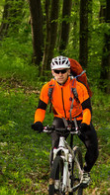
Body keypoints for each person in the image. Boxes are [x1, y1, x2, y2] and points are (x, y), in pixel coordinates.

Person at [31, 55, 99, 187]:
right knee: (55, 147)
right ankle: (55, 177)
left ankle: (85, 172)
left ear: (69, 71)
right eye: (57, 71)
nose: (60, 74)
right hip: (61, 119)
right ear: (52, 72)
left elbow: (87, 109)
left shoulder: (78, 87)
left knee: (93, 148)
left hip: (79, 119)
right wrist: (38, 122)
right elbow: (41, 108)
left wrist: (85, 123)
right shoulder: (48, 87)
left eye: (63, 71)